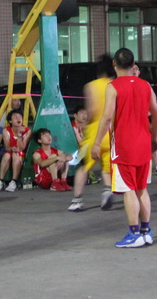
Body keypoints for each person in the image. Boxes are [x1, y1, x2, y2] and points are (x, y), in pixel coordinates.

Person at [92, 48, 157, 248]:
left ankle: (134, 233)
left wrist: (96, 143)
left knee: (128, 190)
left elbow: (107, 117)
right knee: (141, 189)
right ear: (133, 65)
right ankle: (146, 231)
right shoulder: (145, 85)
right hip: (144, 143)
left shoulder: (113, 87)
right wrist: (155, 138)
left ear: (114, 64)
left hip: (124, 145)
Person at [68, 54, 115, 212]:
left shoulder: (91, 86)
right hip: (111, 134)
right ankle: (107, 192)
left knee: (83, 168)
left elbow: (92, 110)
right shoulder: (115, 85)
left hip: (94, 133)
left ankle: (77, 200)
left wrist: (86, 124)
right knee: (106, 168)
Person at [0, 110, 31, 192]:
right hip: (11, 151)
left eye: (20, 117)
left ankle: (14, 181)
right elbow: (7, 147)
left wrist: (19, 135)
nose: (18, 118)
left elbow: (22, 147)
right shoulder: (6, 130)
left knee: (16, 155)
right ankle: (1, 181)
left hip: (21, 153)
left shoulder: (27, 130)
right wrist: (12, 148)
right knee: (6, 155)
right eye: (15, 117)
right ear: (10, 121)